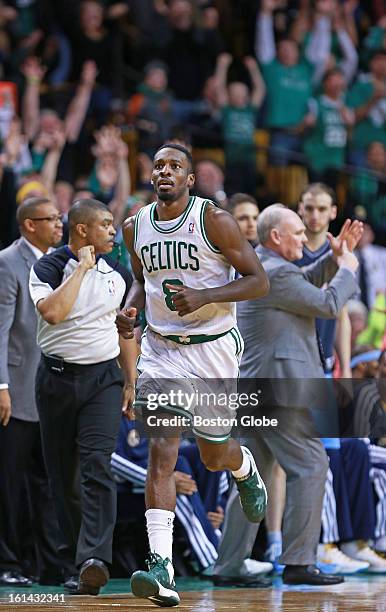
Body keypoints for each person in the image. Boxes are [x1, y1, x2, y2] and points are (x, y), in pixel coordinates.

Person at [116, 143, 270, 606]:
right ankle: (161, 568)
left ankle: (244, 469)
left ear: (189, 178)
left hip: (214, 350)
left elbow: (259, 280)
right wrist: (132, 310)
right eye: (159, 166)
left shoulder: (214, 220)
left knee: (212, 455)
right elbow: (143, 282)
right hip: (163, 351)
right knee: (162, 450)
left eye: (175, 166)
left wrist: (205, 297)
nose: (165, 172)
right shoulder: (134, 226)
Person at [214, 204, 361, 586]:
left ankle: (229, 566)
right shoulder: (275, 273)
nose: (304, 238)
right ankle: (298, 561)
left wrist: (331, 259)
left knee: (252, 479)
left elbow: (304, 281)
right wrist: (348, 270)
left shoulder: (266, 268)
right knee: (311, 465)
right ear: (275, 237)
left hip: (256, 390)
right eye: (297, 232)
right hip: (281, 392)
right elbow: (328, 304)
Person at [29, 198, 137, 596]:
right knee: (64, 476)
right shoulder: (48, 267)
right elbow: (53, 313)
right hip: (55, 380)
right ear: (82, 230)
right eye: (105, 225)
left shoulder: (121, 274)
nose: (113, 231)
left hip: (103, 381)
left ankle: (94, 559)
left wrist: (130, 380)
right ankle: (77, 562)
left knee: (96, 464)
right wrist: (83, 269)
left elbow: (123, 329)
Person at [0, 197, 63, 587]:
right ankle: (6, 561)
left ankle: (50, 563)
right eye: (51, 219)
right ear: (29, 225)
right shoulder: (7, 262)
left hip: (54, 389)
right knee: (8, 482)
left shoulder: (61, 261)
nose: (60, 224)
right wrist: (1, 385)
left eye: (59, 217)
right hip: (17, 389)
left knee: (48, 480)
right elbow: (1, 329)